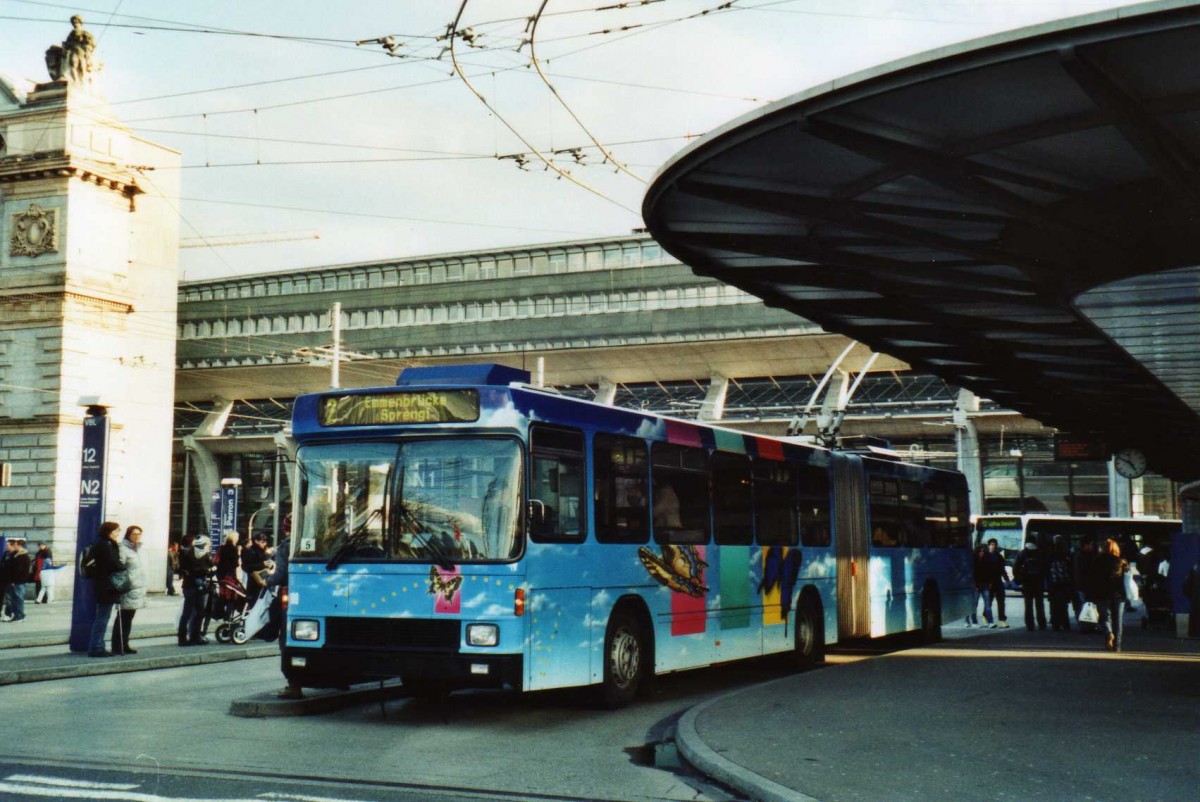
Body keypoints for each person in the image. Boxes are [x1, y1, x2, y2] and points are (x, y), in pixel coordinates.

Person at [87, 522, 123, 657]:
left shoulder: (105, 544)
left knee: (102, 617)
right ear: (109, 531)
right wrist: (123, 567)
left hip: (104, 584)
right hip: (106, 586)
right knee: (102, 618)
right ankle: (96, 647)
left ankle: (98, 645)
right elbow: (113, 564)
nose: (118, 533)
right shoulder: (105, 545)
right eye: (117, 530)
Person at [1088, 537, 1129, 652]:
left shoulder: (1097, 560)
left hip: (1102, 594)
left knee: (1104, 618)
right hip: (1118, 595)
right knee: (1118, 621)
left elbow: (1092, 578)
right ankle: (1117, 646)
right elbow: (1128, 573)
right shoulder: (1121, 561)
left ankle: (1109, 633)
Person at [112, 526, 148, 655]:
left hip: (136, 588)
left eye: (139, 534)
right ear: (128, 534)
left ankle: (124, 643)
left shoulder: (137, 549)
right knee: (123, 617)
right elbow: (119, 567)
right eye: (134, 534)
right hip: (127, 587)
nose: (137, 536)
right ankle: (118, 645)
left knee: (129, 617)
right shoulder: (123, 548)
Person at [177, 533, 213, 646]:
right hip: (190, 586)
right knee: (187, 612)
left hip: (199, 586)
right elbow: (183, 570)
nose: (209, 546)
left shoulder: (204, 555)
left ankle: (195, 636)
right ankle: (182, 638)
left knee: (200, 612)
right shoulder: (188, 554)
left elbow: (211, 567)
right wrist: (202, 572)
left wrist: (209, 571)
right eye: (208, 544)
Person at [1014, 537, 1047, 631]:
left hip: (1027, 582)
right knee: (1039, 604)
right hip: (1038, 582)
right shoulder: (1040, 553)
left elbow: (1015, 568)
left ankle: (1029, 625)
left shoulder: (1022, 553)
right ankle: (1042, 624)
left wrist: (1019, 579)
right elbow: (1045, 568)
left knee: (1028, 604)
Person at [977, 538, 1010, 628]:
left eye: (994, 544)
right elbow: (982, 570)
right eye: (991, 544)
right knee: (989, 602)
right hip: (989, 582)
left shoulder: (999, 556)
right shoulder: (985, 556)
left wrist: (1007, 580)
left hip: (998, 581)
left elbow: (1002, 570)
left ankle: (1001, 620)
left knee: (1001, 601)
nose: (993, 546)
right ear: (988, 546)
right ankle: (985, 617)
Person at [1046, 535, 1074, 632]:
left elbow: (1047, 568)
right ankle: (1065, 624)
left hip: (1053, 582)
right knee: (1064, 604)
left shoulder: (1050, 553)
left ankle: (1055, 624)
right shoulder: (1067, 553)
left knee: (1054, 604)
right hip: (1064, 582)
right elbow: (1071, 568)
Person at [3, 539, 32, 622]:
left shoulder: (22, 556)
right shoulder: (16, 555)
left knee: (18, 599)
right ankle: (16, 615)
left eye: (15, 545)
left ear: (19, 545)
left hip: (19, 581)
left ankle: (20, 616)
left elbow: (18, 570)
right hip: (17, 581)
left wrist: (13, 580)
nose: (14, 546)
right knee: (14, 599)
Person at [1072, 537, 1098, 628]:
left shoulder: (1078, 555)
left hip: (1080, 584)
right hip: (1086, 585)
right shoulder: (1088, 556)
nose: (1092, 546)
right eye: (1091, 544)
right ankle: (1088, 625)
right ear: (1085, 545)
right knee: (1087, 605)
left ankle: (1085, 625)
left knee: (1084, 605)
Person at [241, 533, 271, 607]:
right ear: (256, 541)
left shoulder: (262, 551)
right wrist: (262, 564)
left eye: (265, 542)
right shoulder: (250, 552)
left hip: (262, 581)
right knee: (255, 604)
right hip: (254, 584)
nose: (264, 544)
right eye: (262, 542)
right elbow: (246, 566)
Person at [967, 544, 992, 627]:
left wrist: (989, 582)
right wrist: (975, 585)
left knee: (987, 604)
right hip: (976, 584)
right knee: (974, 604)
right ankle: (973, 621)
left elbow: (989, 573)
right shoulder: (973, 561)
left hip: (984, 584)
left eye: (983, 551)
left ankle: (990, 621)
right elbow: (972, 574)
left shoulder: (986, 561)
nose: (982, 553)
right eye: (980, 551)